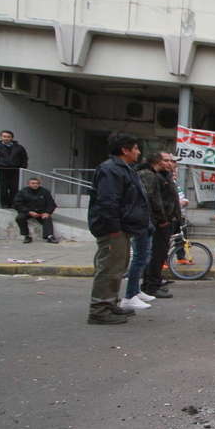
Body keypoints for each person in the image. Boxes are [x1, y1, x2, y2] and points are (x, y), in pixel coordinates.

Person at [86, 133, 150, 325]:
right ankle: (99, 309)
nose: (138, 152)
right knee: (109, 268)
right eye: (136, 148)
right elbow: (108, 201)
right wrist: (114, 228)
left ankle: (110, 303)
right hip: (113, 229)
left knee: (118, 267)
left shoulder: (125, 169)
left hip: (123, 227)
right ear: (125, 150)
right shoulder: (110, 169)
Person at [138, 153, 180, 299]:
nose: (170, 163)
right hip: (160, 222)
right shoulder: (154, 177)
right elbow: (155, 200)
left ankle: (154, 282)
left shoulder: (165, 176)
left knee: (160, 254)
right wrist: (162, 219)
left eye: (171, 161)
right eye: (166, 160)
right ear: (157, 161)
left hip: (166, 220)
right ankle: (151, 286)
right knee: (156, 254)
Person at [0, 130, 28, 208]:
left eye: (8, 137)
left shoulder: (19, 147)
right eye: (4, 136)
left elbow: (24, 158)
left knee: (14, 188)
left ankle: (13, 204)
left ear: (12, 138)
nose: (6, 138)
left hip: (15, 170)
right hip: (3, 170)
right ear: (1, 137)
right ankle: (4, 205)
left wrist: (23, 167)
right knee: (4, 188)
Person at [13, 177, 58, 244]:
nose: (35, 185)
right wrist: (28, 211)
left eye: (37, 183)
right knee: (19, 218)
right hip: (28, 211)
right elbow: (17, 204)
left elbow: (51, 204)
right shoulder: (23, 192)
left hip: (41, 212)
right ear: (28, 184)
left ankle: (50, 237)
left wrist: (47, 212)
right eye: (33, 183)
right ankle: (27, 236)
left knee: (47, 218)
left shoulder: (45, 191)